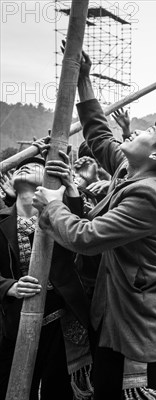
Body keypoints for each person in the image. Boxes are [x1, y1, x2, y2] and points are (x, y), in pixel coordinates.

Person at [33, 50, 156, 400]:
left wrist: (53, 205)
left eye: (147, 132)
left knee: (124, 392)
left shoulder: (149, 195)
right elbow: (98, 134)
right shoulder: (132, 167)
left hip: (137, 319)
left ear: (155, 155)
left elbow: (86, 237)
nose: (136, 129)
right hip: (114, 304)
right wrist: (83, 79)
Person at [1, 153, 92, 400]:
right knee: (16, 387)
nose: (24, 168)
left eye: (34, 166)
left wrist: (71, 186)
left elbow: (81, 230)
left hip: (61, 319)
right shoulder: (1, 221)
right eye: (20, 167)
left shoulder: (60, 218)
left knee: (59, 389)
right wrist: (9, 287)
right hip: (13, 322)